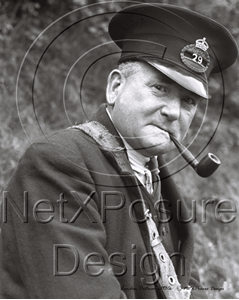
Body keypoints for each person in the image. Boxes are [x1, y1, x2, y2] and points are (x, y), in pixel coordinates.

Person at [0, 3, 238, 299]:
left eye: (188, 101)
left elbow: (178, 288)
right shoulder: (59, 163)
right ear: (115, 87)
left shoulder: (155, 177)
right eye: (160, 88)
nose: (174, 112)